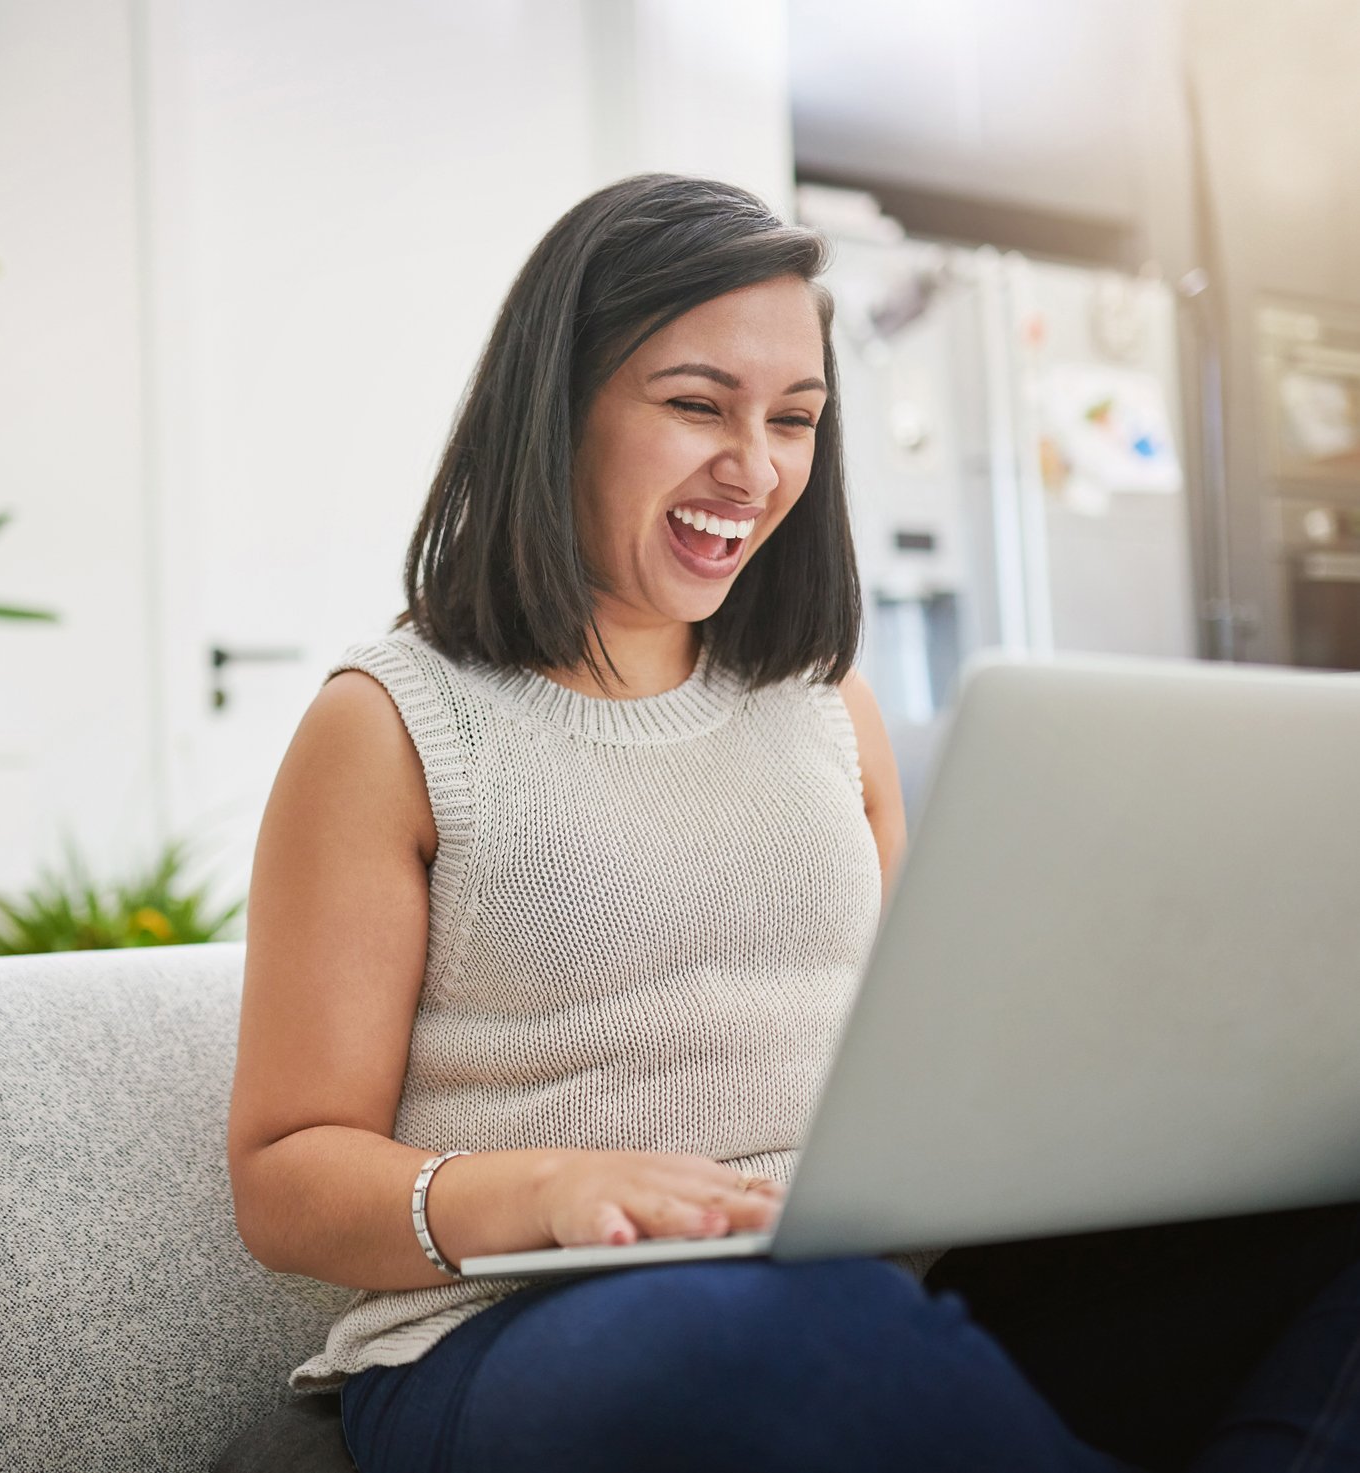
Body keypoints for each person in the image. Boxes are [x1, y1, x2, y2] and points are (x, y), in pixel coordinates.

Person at [224, 173, 1360, 1472]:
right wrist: (541, 1191)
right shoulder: (393, 724)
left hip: (866, 1287)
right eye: (697, 405)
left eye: (795, 418)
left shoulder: (827, 706)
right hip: (516, 1329)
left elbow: (915, 1066)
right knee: (786, 1327)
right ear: (559, 410)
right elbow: (284, 1171)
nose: (754, 466)